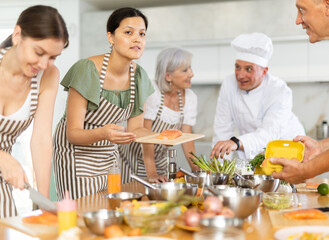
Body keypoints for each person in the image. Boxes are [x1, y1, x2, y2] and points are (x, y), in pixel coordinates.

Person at [53, 7, 154, 200]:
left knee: (111, 207)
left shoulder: (139, 76)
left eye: (142, 34)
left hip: (108, 154)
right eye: (128, 32)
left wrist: (164, 137)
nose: (137, 39)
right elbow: (73, 134)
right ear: (111, 37)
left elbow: (136, 128)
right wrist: (103, 133)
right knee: (83, 212)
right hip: (76, 155)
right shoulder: (88, 69)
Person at [271, 0, 329, 184]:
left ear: (328, 6)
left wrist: (305, 171)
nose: (298, 20)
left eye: (302, 10)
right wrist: (321, 147)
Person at [0, 5, 68, 218]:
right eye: (39, 52)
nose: (44, 64)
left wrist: (44, 203)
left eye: (53, 57)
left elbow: (41, 140)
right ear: (17, 35)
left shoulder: (48, 75)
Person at [210, 32, 305, 161]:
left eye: (249, 69)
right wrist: (219, 171)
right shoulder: (229, 84)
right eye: (238, 67)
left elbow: (270, 134)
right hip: (254, 153)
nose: (241, 75)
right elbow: (222, 129)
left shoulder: (279, 90)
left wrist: (236, 143)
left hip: (287, 150)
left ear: (264, 72)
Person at [120, 47, 199, 183]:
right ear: (168, 76)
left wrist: (197, 170)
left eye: (190, 69)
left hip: (160, 161)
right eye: (185, 70)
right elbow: (147, 135)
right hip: (133, 158)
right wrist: (152, 173)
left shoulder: (190, 97)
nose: (191, 74)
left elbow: (187, 140)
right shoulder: (153, 93)